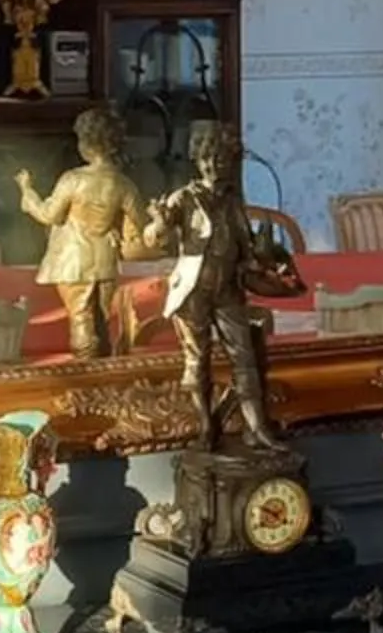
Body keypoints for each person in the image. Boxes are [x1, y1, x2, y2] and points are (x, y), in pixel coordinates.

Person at [139, 120, 295, 450]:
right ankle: (206, 428)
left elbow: (247, 246)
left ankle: (258, 428)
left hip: (228, 289)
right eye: (207, 158)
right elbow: (153, 240)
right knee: (197, 360)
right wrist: (159, 223)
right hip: (194, 291)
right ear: (197, 158)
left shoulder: (231, 201)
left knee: (245, 356)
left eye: (221, 158)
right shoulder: (183, 199)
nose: (214, 165)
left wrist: (267, 253)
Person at [17, 104, 145, 360]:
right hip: (105, 260)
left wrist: (27, 191)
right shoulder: (124, 184)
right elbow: (140, 224)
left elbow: (49, 215)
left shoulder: (73, 179)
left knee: (80, 319)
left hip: (73, 260)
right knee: (101, 320)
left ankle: (85, 376)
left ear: (86, 144)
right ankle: (103, 374)